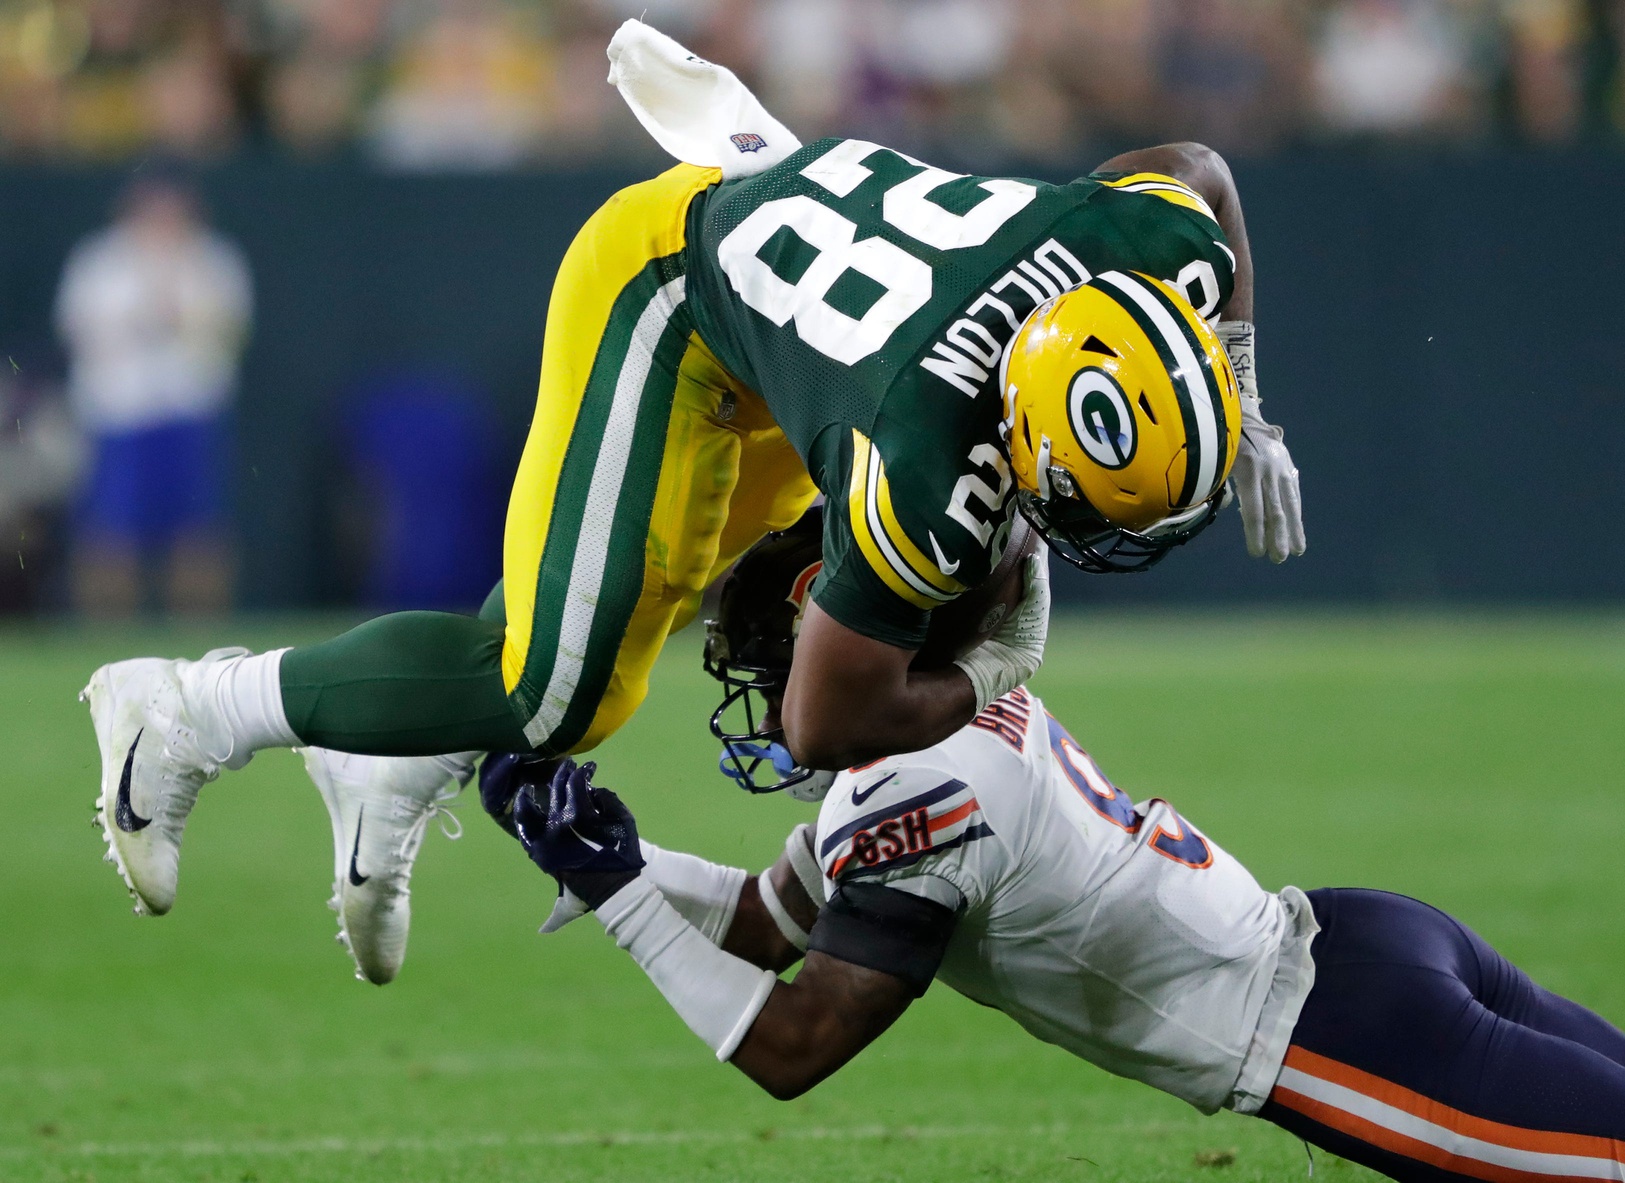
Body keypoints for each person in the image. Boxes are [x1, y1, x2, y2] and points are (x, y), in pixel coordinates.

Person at [81, 22, 1305, 986]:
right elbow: (825, 719)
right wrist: (997, 669)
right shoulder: (929, 465)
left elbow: (1193, 171)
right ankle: (188, 707)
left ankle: (396, 761)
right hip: (674, 288)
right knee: (555, 689)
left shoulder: (1151, 254)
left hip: (806, 318)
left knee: (606, 619)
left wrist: (1237, 390)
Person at [482, 516, 1625, 1183]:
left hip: (1339, 1033)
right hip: (1364, 943)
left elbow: (790, 1046)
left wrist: (618, 892)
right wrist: (593, 853)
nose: (763, 686)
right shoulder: (933, 726)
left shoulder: (917, 789)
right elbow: (758, 923)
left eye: (772, 656)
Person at [56, 171, 252, 617]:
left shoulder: (215, 261)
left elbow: (228, 331)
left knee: (198, 533)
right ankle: (103, 638)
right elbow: (81, 331)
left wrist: (177, 317)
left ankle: (200, 635)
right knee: (109, 533)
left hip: (191, 414)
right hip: (120, 417)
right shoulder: (99, 262)